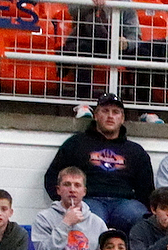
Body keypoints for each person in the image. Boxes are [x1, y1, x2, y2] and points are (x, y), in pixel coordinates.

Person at [44, 93, 154, 234]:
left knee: (141, 216)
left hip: (125, 203)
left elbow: (147, 190)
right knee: (91, 220)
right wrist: (66, 204)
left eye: (115, 112)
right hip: (89, 200)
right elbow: (52, 177)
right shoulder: (76, 143)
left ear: (122, 118)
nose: (110, 116)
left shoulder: (136, 151)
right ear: (95, 115)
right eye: (105, 111)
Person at [63, 0, 139, 103]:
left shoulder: (126, 3)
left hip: (115, 47)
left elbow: (135, 36)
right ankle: (83, 104)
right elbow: (72, 9)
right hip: (87, 42)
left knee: (142, 53)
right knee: (83, 49)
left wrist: (126, 42)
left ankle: (145, 110)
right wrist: (90, 2)